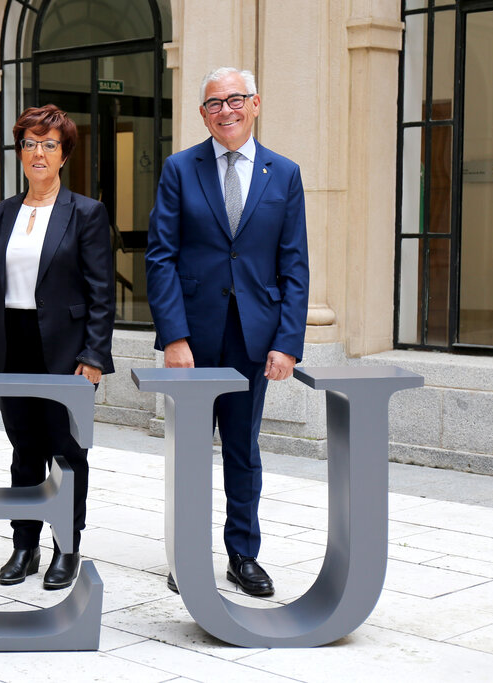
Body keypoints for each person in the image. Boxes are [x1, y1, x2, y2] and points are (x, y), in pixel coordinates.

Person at [145, 67, 309, 597]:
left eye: (236, 100)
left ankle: (244, 554)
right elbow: (161, 257)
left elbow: (294, 265)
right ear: (202, 114)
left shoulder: (283, 174)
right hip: (192, 338)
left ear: (255, 103)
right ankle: (187, 554)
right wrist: (173, 337)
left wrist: (286, 342)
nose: (226, 111)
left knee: (243, 448)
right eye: (215, 103)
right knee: (189, 449)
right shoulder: (179, 168)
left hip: (253, 339)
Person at [0, 104, 115, 590]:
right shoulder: (3, 211)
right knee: (24, 450)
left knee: (68, 452)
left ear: (64, 154)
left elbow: (100, 292)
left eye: (49, 144)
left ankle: (66, 547)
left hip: (67, 353)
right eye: (30, 143)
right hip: (13, 344)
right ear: (20, 151)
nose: (38, 152)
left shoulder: (87, 213)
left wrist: (94, 356)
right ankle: (24, 545)